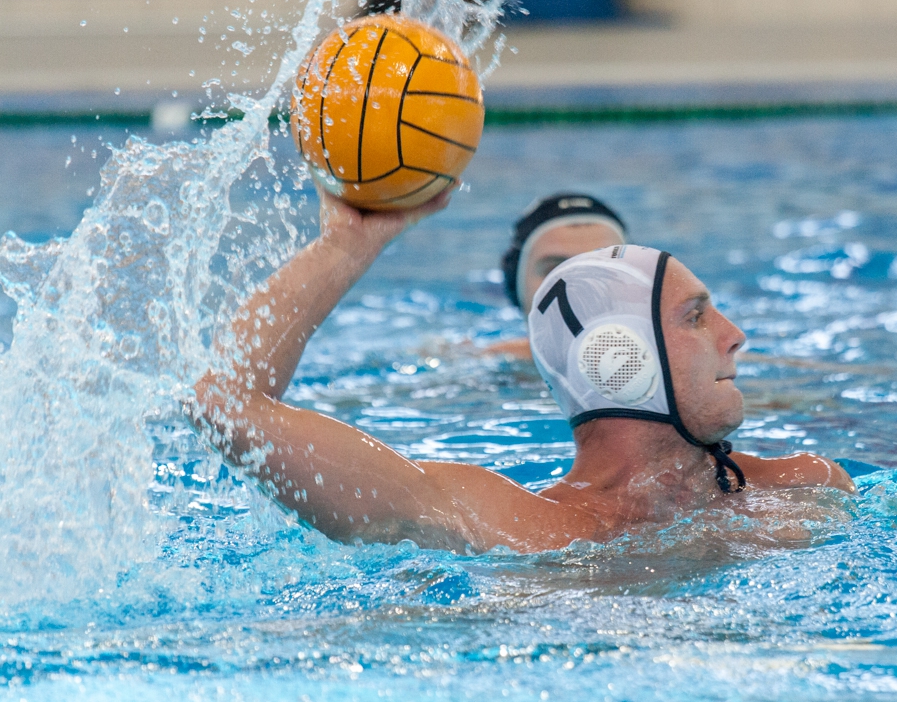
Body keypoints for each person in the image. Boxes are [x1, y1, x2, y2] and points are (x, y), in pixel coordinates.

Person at [191, 190, 854, 554]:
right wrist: (346, 245)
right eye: (696, 316)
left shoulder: (807, 489)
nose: (736, 337)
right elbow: (220, 401)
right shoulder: (503, 525)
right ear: (619, 358)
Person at [486, 193, 628, 359]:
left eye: (601, 271)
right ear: (516, 288)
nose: (579, 292)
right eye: (555, 270)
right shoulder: (481, 367)